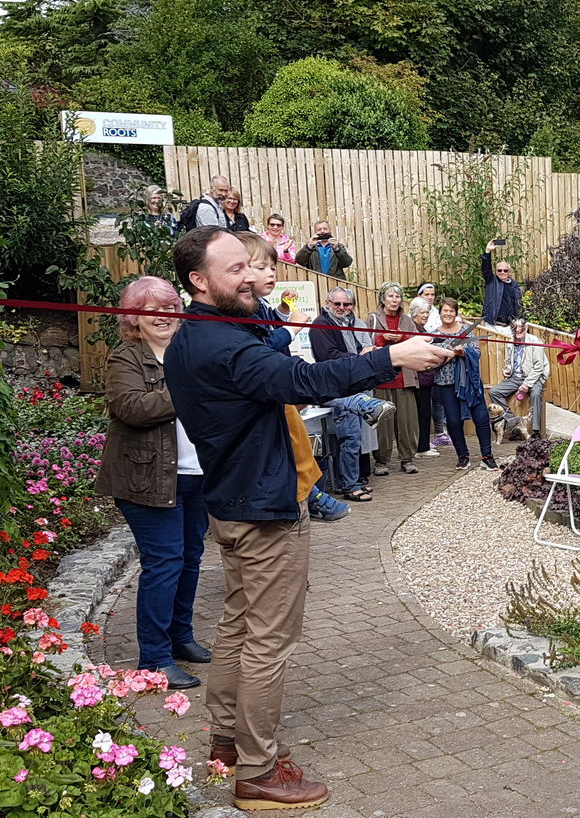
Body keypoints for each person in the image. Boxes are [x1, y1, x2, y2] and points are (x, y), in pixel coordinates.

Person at [165, 226, 449, 810]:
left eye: (251, 264)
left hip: (235, 504)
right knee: (268, 642)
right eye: (235, 269)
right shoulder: (223, 346)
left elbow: (271, 347)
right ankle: (257, 771)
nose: (249, 276)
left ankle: (226, 739)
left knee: (238, 627)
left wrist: (258, 308)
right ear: (198, 280)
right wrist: (391, 355)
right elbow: (302, 381)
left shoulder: (201, 335)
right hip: (265, 510)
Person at [95, 277, 209, 691]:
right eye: (150, 309)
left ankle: (181, 638)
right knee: (164, 564)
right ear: (134, 319)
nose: (161, 316)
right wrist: (190, 390)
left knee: (191, 559)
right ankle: (155, 659)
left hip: (196, 472)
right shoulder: (126, 357)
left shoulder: (188, 351)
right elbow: (130, 407)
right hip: (146, 479)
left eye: (167, 307)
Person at [235, 232, 349, 523]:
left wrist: (284, 310)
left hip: (278, 386)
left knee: (299, 437)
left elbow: (271, 322)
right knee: (292, 439)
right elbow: (259, 349)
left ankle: (312, 492)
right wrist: (292, 328)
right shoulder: (239, 311)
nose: (271, 273)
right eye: (262, 267)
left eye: (273, 267)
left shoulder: (259, 306)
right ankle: (311, 495)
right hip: (266, 387)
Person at [309, 287, 393, 502]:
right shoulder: (320, 325)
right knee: (350, 438)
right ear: (328, 303)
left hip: (351, 384)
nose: (341, 308)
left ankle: (351, 481)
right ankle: (350, 484)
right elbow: (327, 357)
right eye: (337, 304)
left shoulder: (350, 324)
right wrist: (358, 357)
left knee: (353, 440)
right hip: (333, 387)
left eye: (346, 304)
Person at [430, 297, 497, 470]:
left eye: (451, 311)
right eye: (445, 311)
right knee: (453, 421)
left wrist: (463, 352)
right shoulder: (435, 334)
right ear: (440, 313)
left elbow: (476, 352)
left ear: (456, 313)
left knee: (481, 417)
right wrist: (447, 354)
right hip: (446, 383)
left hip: (469, 382)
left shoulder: (467, 331)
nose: (448, 314)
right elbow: (430, 359)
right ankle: (463, 456)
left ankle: (487, 456)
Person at [367, 282, 421, 476]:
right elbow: (367, 344)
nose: (394, 300)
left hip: (404, 377)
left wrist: (401, 338)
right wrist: (383, 338)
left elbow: (417, 344)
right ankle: (381, 461)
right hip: (382, 378)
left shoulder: (407, 320)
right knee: (383, 422)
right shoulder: (373, 319)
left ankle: (407, 459)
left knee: (407, 421)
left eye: (397, 297)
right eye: (390, 296)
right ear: (382, 299)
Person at [489, 317, 551, 439]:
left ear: (526, 328)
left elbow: (538, 367)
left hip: (534, 376)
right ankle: (514, 422)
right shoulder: (510, 343)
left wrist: (527, 384)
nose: (517, 331)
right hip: (516, 377)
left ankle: (536, 431)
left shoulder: (535, 341)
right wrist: (507, 370)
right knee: (494, 392)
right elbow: (508, 362)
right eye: (514, 329)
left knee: (536, 394)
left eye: (520, 328)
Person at [415, 282, 448, 441]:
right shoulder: (414, 314)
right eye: (426, 294)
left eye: (432, 294)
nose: (430, 297)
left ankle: (440, 432)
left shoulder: (436, 312)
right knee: (424, 403)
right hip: (421, 364)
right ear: (419, 295)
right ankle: (422, 440)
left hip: (439, 360)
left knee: (438, 399)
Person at [407, 297, 439, 459]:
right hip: (417, 377)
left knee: (425, 411)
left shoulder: (421, 328)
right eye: (422, 312)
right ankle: (420, 447)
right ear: (414, 313)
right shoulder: (412, 329)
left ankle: (423, 445)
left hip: (425, 377)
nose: (425, 315)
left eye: (427, 312)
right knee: (419, 412)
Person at [482, 239, 523, 327]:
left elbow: (519, 305)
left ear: (509, 272)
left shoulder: (514, 285)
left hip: (510, 326)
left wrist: (519, 320)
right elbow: (486, 268)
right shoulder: (492, 281)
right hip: (494, 324)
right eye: (499, 270)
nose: (502, 272)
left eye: (505, 270)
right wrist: (488, 251)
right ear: (496, 271)